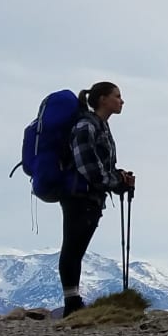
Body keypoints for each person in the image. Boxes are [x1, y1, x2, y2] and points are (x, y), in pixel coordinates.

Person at [59, 81, 136, 317]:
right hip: (79, 196)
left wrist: (118, 177)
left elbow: (101, 167)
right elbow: (89, 168)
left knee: (76, 248)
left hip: (89, 197)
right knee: (73, 248)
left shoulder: (100, 126)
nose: (122, 101)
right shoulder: (86, 126)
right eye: (117, 96)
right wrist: (116, 182)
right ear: (103, 99)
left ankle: (73, 302)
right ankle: (72, 304)